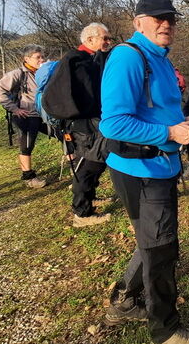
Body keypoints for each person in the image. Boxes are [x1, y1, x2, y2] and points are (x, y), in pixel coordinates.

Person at [99, 0, 189, 344]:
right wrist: (169, 132)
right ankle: (166, 330)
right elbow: (113, 124)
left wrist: (184, 120)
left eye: (171, 18)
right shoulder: (128, 57)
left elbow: (156, 109)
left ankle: (124, 302)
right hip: (141, 169)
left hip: (159, 166)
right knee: (162, 248)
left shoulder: (160, 59)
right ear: (139, 22)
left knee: (150, 242)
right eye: (158, 18)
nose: (166, 24)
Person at [58, 22, 113, 228]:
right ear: (90, 40)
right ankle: (81, 213)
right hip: (85, 125)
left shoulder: (91, 59)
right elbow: (88, 96)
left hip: (93, 121)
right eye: (104, 38)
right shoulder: (79, 61)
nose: (108, 42)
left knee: (97, 161)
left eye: (108, 38)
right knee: (88, 165)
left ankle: (90, 199)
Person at [0, 44, 49, 188]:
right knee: (27, 145)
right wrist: (14, 109)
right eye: (38, 57)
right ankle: (28, 177)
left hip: (45, 115)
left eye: (43, 56)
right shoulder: (18, 74)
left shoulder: (45, 72)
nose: (41, 60)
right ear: (27, 59)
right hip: (27, 115)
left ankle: (74, 165)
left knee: (64, 135)